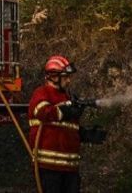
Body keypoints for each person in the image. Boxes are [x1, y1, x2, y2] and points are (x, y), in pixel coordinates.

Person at [28, 55, 85, 193]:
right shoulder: (42, 93)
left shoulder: (67, 97)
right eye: (65, 77)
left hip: (70, 168)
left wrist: (84, 133)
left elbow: (65, 127)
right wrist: (65, 110)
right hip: (49, 168)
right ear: (53, 76)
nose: (69, 80)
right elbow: (43, 112)